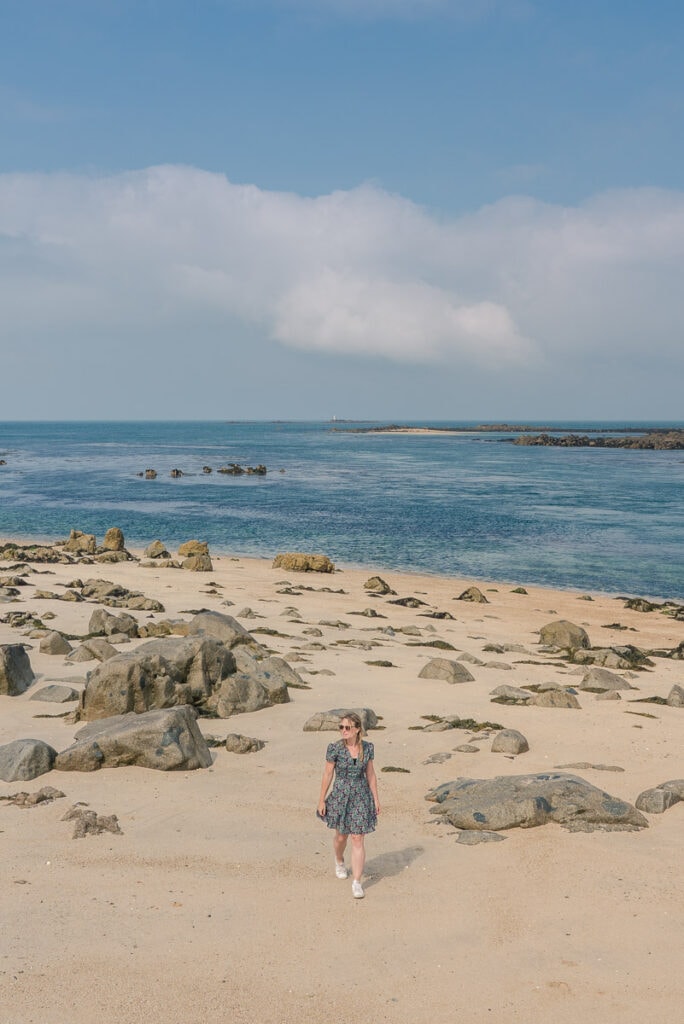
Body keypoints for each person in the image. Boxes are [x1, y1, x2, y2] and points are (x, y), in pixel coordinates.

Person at [317, 711, 380, 899]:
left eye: (347, 727)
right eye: (341, 727)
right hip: (341, 794)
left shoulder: (367, 748)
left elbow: (371, 774)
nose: (343, 730)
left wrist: (376, 798)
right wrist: (321, 799)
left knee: (357, 838)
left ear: (357, 729)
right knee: (341, 836)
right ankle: (339, 860)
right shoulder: (334, 748)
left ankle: (357, 882)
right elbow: (327, 774)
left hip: (361, 795)